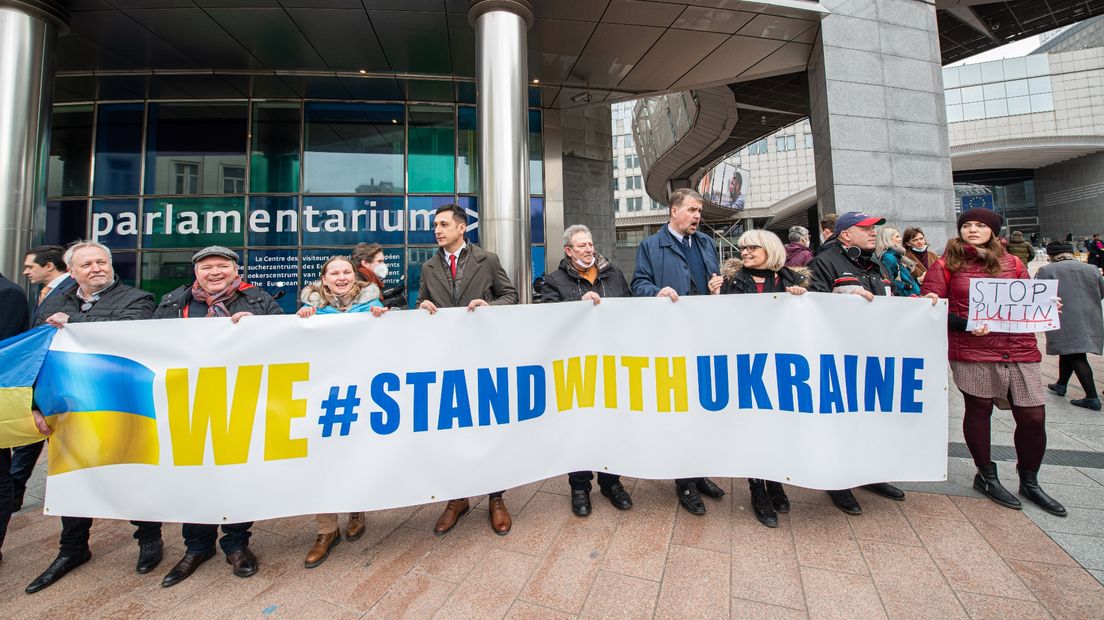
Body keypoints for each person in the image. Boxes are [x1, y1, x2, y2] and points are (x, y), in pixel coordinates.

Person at [25, 241, 163, 594]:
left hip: (125, 404)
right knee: (75, 477)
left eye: (102, 261)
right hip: (69, 409)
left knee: (133, 471)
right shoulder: (52, 303)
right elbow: (35, 356)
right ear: (72, 272)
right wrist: (34, 406)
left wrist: (75, 323)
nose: (96, 268)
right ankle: (72, 548)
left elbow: (131, 333)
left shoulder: (138, 298)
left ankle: (149, 539)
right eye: (87, 264)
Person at [921, 208, 1066, 517]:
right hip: (974, 351)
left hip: (1018, 348)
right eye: (967, 225)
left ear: (993, 230)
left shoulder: (1013, 263)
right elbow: (929, 310)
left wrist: (1046, 303)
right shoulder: (946, 265)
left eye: (980, 225)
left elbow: (1026, 298)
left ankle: (1030, 480)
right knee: (979, 409)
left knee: (1033, 417)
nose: (973, 230)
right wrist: (965, 324)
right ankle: (986, 474)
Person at [153, 246, 282, 587]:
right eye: (206, 267)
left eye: (222, 266)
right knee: (193, 475)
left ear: (235, 270)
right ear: (195, 272)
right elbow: (149, 347)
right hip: (188, 404)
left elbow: (284, 343)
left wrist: (259, 329)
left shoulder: (258, 301)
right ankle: (196, 547)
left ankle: (236, 544)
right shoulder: (172, 304)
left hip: (242, 401)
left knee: (238, 474)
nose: (214, 272)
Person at [417, 204, 518, 536]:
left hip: (483, 356)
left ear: (462, 228)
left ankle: (496, 498)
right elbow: (420, 304)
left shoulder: (486, 260)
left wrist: (490, 307)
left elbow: (511, 296)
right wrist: (422, 308)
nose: (437, 229)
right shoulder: (428, 266)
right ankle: (456, 499)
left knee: (489, 425)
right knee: (451, 429)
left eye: (443, 224)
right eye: (435, 224)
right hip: (446, 359)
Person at [631, 187, 727, 515]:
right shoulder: (650, 246)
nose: (698, 216)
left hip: (703, 338)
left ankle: (699, 473)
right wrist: (657, 291)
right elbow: (638, 285)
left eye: (699, 211)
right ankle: (683, 481)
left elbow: (715, 281)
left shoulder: (705, 243)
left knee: (702, 409)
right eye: (692, 210)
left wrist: (718, 287)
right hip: (670, 342)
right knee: (679, 411)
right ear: (674, 211)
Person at [808, 212, 907, 514]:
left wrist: (924, 305)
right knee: (840, 420)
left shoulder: (875, 263)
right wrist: (844, 298)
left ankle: (869, 473)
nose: (873, 232)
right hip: (839, 353)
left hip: (873, 352)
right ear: (845, 235)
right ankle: (838, 481)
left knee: (869, 416)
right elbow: (813, 306)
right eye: (865, 228)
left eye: (874, 228)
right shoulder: (824, 262)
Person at [297, 256, 387, 566]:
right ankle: (326, 530)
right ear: (323, 280)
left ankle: (357, 510)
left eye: (346, 271)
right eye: (333, 272)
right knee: (323, 460)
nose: (341, 277)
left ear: (355, 276)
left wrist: (383, 320)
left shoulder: (371, 304)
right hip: (324, 396)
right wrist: (301, 322)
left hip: (361, 392)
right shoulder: (311, 308)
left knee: (357, 452)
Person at [541, 225, 634, 517]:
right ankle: (580, 487)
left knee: (613, 423)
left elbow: (633, 310)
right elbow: (549, 320)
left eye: (591, 244)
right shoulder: (553, 281)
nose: (588, 249)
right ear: (568, 251)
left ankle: (611, 482)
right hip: (577, 367)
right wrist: (575, 307)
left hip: (612, 362)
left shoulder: (613, 274)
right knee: (579, 426)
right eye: (581, 245)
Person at [719, 230, 805, 528]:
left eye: (752, 248)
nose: (745, 253)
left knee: (778, 425)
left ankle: (776, 481)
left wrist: (799, 299)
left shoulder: (794, 280)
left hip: (782, 366)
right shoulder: (733, 282)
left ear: (769, 249)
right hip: (749, 366)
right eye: (742, 248)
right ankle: (758, 489)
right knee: (753, 426)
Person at [11, 245, 74, 513]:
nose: (25, 272)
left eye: (30, 266)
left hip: (59, 386)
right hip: (39, 383)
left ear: (49, 266)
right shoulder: (44, 293)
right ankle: (14, 494)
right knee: (29, 439)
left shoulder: (70, 291)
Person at [1036, 240, 1104, 411]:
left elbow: (1038, 295)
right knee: (1069, 351)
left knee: (1075, 354)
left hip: (1063, 316)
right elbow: (1101, 291)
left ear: (1051, 255)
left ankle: (1091, 397)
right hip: (1090, 316)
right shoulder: (1091, 269)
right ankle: (1061, 384)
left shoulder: (1046, 270)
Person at [874, 226, 921, 297]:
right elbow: (887, 280)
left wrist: (916, 281)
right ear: (888, 239)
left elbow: (903, 278)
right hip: (903, 297)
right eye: (897, 237)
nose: (900, 239)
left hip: (908, 296)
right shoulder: (889, 257)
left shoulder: (896, 256)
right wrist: (907, 286)